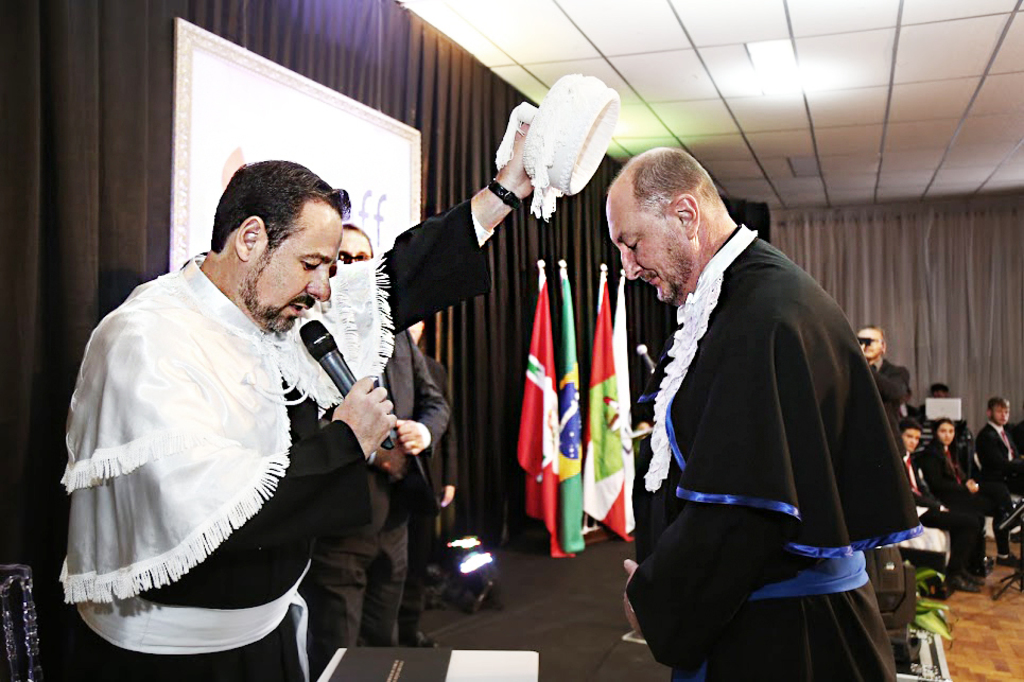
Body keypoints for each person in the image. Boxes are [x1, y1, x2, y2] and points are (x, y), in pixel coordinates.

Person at [63, 128, 534, 682]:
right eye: (312, 264)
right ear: (251, 239)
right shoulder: (147, 339)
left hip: (267, 638)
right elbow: (213, 510)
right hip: (177, 661)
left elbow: (396, 282)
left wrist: (506, 190)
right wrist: (346, 440)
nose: (324, 289)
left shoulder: (270, 311)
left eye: (329, 268)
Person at [608, 148, 921, 681]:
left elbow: (740, 510)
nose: (629, 268)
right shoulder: (738, 300)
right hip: (760, 617)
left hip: (788, 637)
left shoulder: (763, 317)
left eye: (632, 244)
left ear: (686, 216)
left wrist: (659, 598)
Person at [301, 227, 450, 678]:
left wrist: (422, 434)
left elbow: (435, 401)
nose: (351, 265)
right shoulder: (305, 332)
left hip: (397, 523)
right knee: (338, 657)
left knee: (383, 653)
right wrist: (367, 450)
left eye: (361, 257)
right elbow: (302, 426)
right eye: (341, 258)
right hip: (341, 530)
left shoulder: (395, 330)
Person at [397, 320, 459, 648]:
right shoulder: (374, 363)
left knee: (417, 560)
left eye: (419, 321)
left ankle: (409, 627)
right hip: (386, 483)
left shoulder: (435, 370)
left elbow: (447, 427)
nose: (413, 327)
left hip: (425, 482)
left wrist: (450, 478)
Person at [917, 417, 1019, 567]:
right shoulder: (930, 455)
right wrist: (965, 487)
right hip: (949, 496)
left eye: (951, 431)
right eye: (943, 431)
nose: (948, 435)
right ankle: (1004, 543)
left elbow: (960, 475)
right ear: (935, 433)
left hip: (960, 490)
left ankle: (1009, 523)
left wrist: (967, 482)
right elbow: (938, 484)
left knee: (999, 490)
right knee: (997, 506)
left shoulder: (951, 450)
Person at [899, 419, 987, 592]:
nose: (913, 442)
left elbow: (922, 489)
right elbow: (908, 494)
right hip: (914, 512)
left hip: (925, 507)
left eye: (916, 438)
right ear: (899, 436)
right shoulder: (896, 461)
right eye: (909, 437)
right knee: (970, 522)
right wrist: (936, 506)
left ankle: (960, 569)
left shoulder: (911, 460)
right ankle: (954, 573)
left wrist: (936, 504)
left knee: (971, 519)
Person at [856, 325, 911, 440]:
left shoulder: (897, 372)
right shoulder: (848, 371)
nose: (865, 345)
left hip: (887, 440)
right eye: (860, 341)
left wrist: (862, 365)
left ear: (883, 346)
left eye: (870, 341)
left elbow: (894, 392)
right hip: (856, 438)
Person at [976, 397, 1024, 496]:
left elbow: (1016, 455)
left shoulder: (1006, 432)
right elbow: (1000, 464)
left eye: (1006, 412)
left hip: (1011, 476)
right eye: (999, 412)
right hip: (998, 480)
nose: (1004, 415)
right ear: (989, 413)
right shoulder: (986, 436)